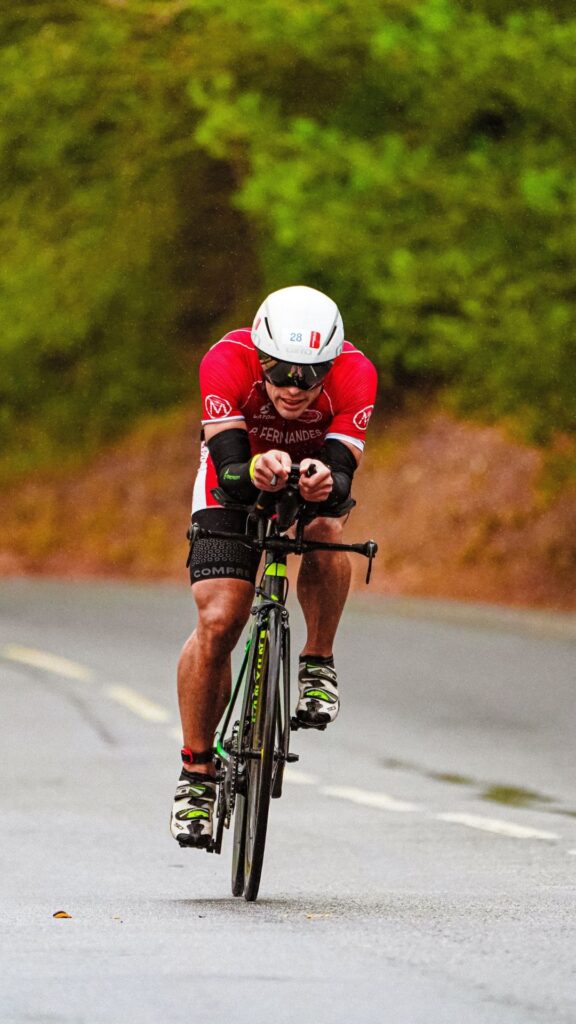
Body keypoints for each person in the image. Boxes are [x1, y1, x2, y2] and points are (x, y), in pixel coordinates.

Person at [170, 285, 377, 848]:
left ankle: (318, 662)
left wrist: (324, 480)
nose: (293, 387)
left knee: (325, 528)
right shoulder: (225, 359)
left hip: (308, 477)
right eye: (281, 371)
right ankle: (197, 774)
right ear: (259, 357)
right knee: (220, 617)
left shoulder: (358, 374)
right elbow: (230, 467)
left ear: (331, 366)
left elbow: (342, 479)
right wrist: (258, 466)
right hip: (237, 477)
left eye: (311, 375)